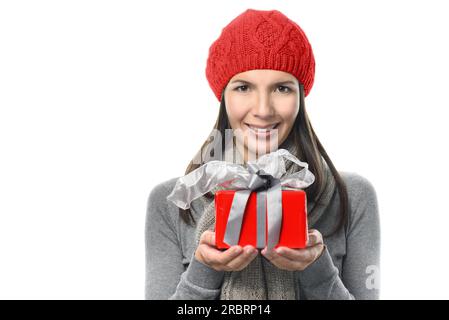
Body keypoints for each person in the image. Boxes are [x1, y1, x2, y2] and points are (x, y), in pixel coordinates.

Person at [145, 8, 380, 300]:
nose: (263, 109)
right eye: (243, 87)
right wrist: (203, 270)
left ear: (301, 97)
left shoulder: (354, 195)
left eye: (282, 88)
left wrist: (317, 269)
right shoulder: (169, 202)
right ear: (223, 96)